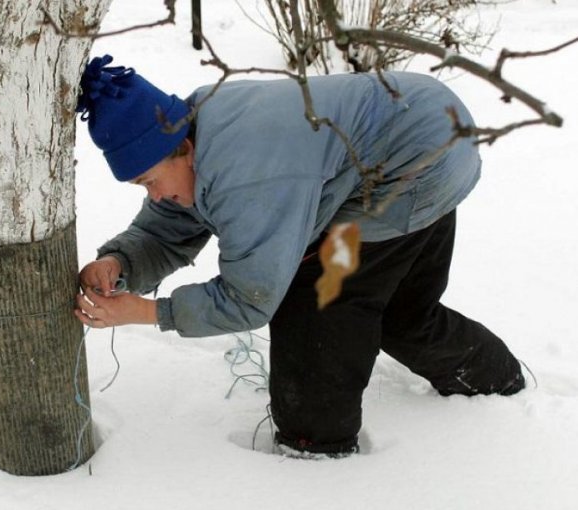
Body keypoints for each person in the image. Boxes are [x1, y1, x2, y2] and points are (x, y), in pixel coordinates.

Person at [73, 54, 525, 458]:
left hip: (415, 166)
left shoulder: (249, 174)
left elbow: (250, 297)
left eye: (151, 182)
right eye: (142, 188)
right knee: (403, 312)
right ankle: (497, 380)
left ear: (185, 149)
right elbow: (171, 221)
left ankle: (315, 446)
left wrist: (151, 312)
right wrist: (121, 262)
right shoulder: (190, 128)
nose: (156, 195)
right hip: (425, 123)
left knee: (317, 301)